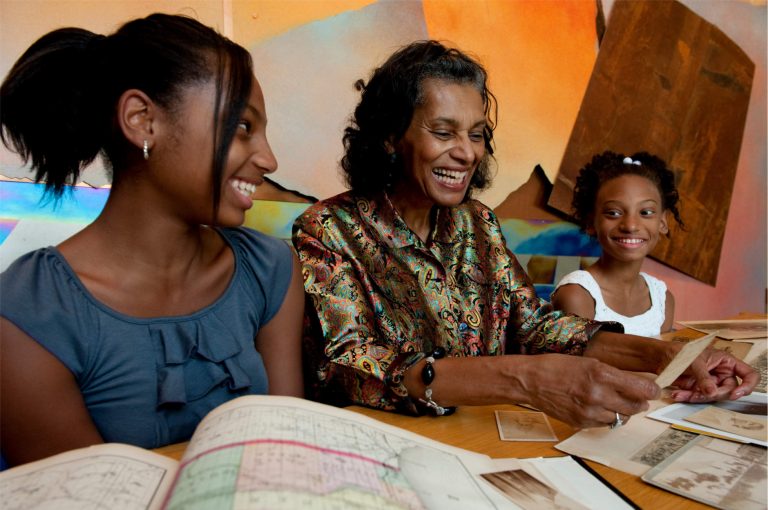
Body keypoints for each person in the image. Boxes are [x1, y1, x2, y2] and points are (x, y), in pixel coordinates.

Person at [292, 40, 757, 428]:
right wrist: (524, 377)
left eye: (476, 134)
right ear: (391, 137)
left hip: (480, 435)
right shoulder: (328, 230)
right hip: (386, 446)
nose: (465, 152)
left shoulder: (478, 223)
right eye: (443, 131)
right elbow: (346, 366)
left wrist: (663, 356)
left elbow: (533, 324)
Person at [0, 14, 304, 466]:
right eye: (243, 127)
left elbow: (288, 457)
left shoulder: (270, 270)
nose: (269, 159)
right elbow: (84, 497)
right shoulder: (31, 314)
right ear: (143, 121)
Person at [551, 151, 682, 337]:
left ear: (662, 222)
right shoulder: (577, 295)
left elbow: (665, 363)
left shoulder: (663, 299)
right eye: (613, 213)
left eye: (645, 212)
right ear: (591, 223)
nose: (630, 225)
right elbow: (579, 365)